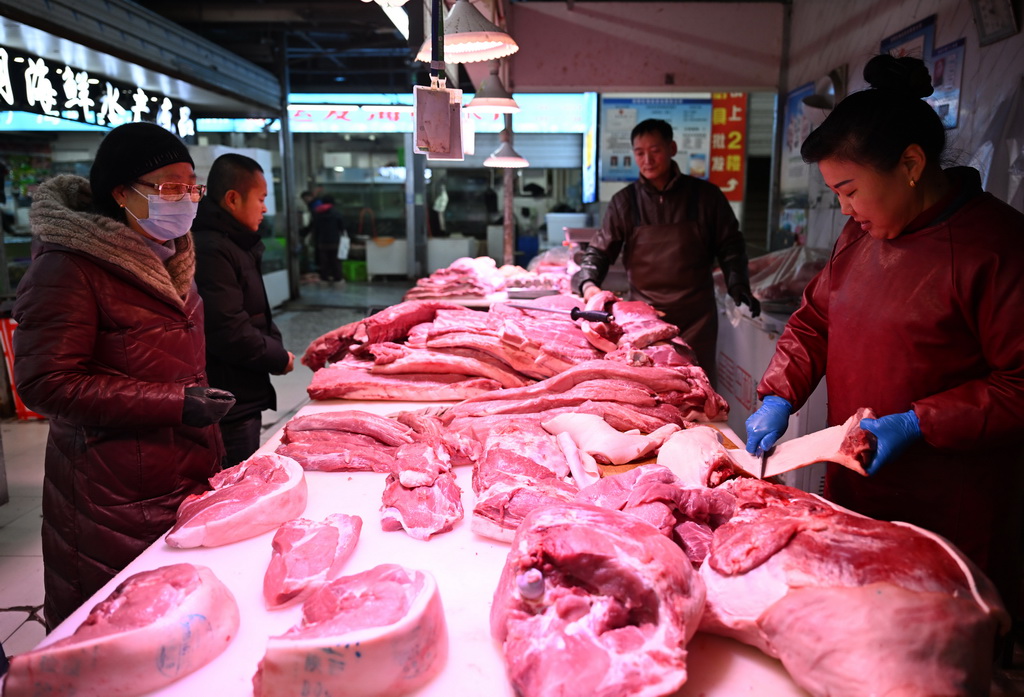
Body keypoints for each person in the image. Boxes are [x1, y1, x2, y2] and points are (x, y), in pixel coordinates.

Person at [744, 55, 1024, 623]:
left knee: (938, 639)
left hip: (954, 501)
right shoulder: (860, 234)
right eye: (834, 194)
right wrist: (779, 394)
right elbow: (814, 321)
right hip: (861, 480)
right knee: (856, 625)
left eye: (849, 190)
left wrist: (919, 422)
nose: (844, 209)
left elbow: (1019, 383)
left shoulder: (997, 248)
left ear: (912, 164)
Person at [12, 121, 234, 630]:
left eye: (191, 186)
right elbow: (47, 382)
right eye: (170, 188)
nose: (187, 199)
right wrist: (177, 402)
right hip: (113, 492)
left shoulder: (170, 255)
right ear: (122, 194)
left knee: (180, 629)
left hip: (179, 472)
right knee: (119, 631)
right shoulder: (68, 268)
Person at [573, 118, 760, 382]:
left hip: (697, 318)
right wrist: (589, 283)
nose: (647, 159)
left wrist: (738, 282)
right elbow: (601, 249)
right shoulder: (624, 202)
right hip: (644, 319)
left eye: (655, 150)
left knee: (699, 388)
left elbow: (730, 244)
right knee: (650, 390)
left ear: (672, 148)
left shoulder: (706, 196)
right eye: (640, 153)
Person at [193, 153, 295, 468]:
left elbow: (250, 315)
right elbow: (228, 330)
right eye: (261, 199)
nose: (265, 208)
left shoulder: (234, 243)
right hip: (228, 400)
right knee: (236, 487)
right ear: (233, 199)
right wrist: (278, 357)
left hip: (239, 395)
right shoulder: (213, 249)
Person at [310, 194, 347, 285]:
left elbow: (314, 227)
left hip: (322, 241)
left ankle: (324, 279)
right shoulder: (336, 212)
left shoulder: (317, 212)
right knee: (336, 261)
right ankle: (338, 279)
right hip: (334, 241)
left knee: (324, 261)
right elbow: (342, 227)